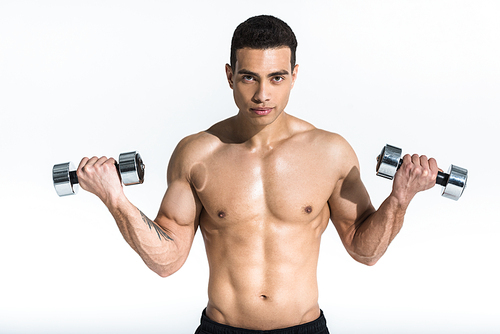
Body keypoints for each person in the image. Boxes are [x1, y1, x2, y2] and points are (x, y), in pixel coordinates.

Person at [76, 15, 439, 334]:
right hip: (222, 330)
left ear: (294, 76)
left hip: (304, 330)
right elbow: (166, 261)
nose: (263, 94)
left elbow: (365, 251)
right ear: (230, 75)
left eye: (277, 78)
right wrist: (115, 198)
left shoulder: (330, 153)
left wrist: (400, 198)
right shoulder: (197, 154)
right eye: (249, 78)